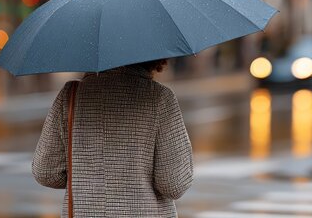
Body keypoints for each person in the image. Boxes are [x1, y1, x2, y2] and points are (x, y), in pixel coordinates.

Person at [32, 59, 193, 217]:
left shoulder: (70, 95)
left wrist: (84, 177)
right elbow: (175, 184)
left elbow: (46, 173)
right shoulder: (160, 97)